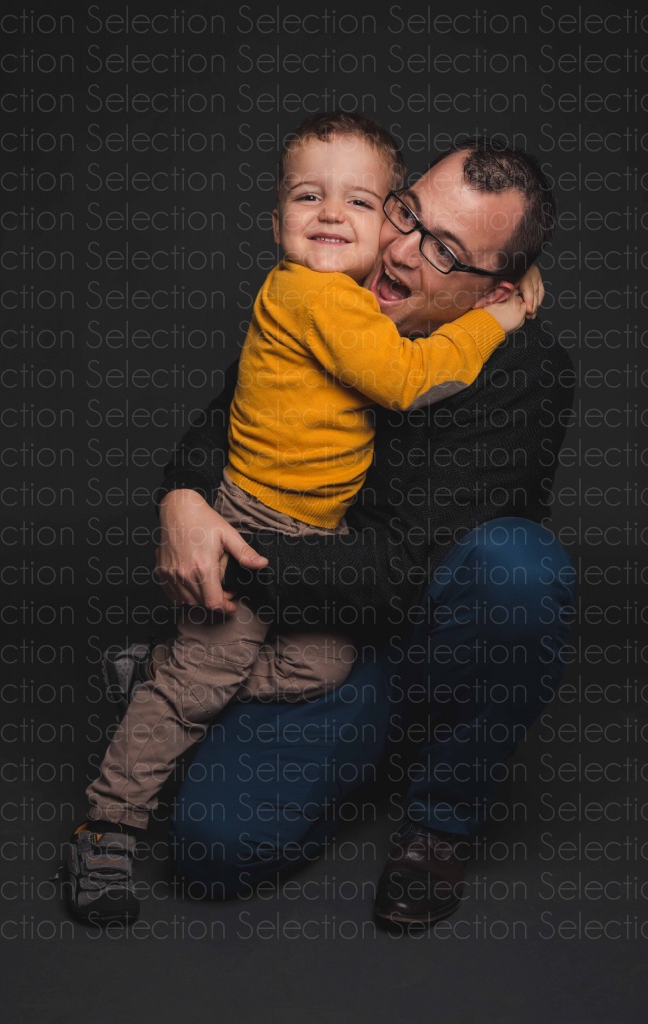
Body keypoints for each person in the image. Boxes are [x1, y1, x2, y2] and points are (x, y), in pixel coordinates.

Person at [75, 133, 575, 928]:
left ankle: (439, 821)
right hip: (313, 624)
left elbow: (396, 572)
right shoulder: (329, 289)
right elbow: (239, 410)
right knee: (213, 851)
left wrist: (232, 565)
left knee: (519, 567)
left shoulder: (525, 373)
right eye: (407, 214)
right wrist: (182, 497)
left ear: (496, 291)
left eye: (445, 251)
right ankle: (198, 687)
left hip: (409, 626)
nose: (402, 251)